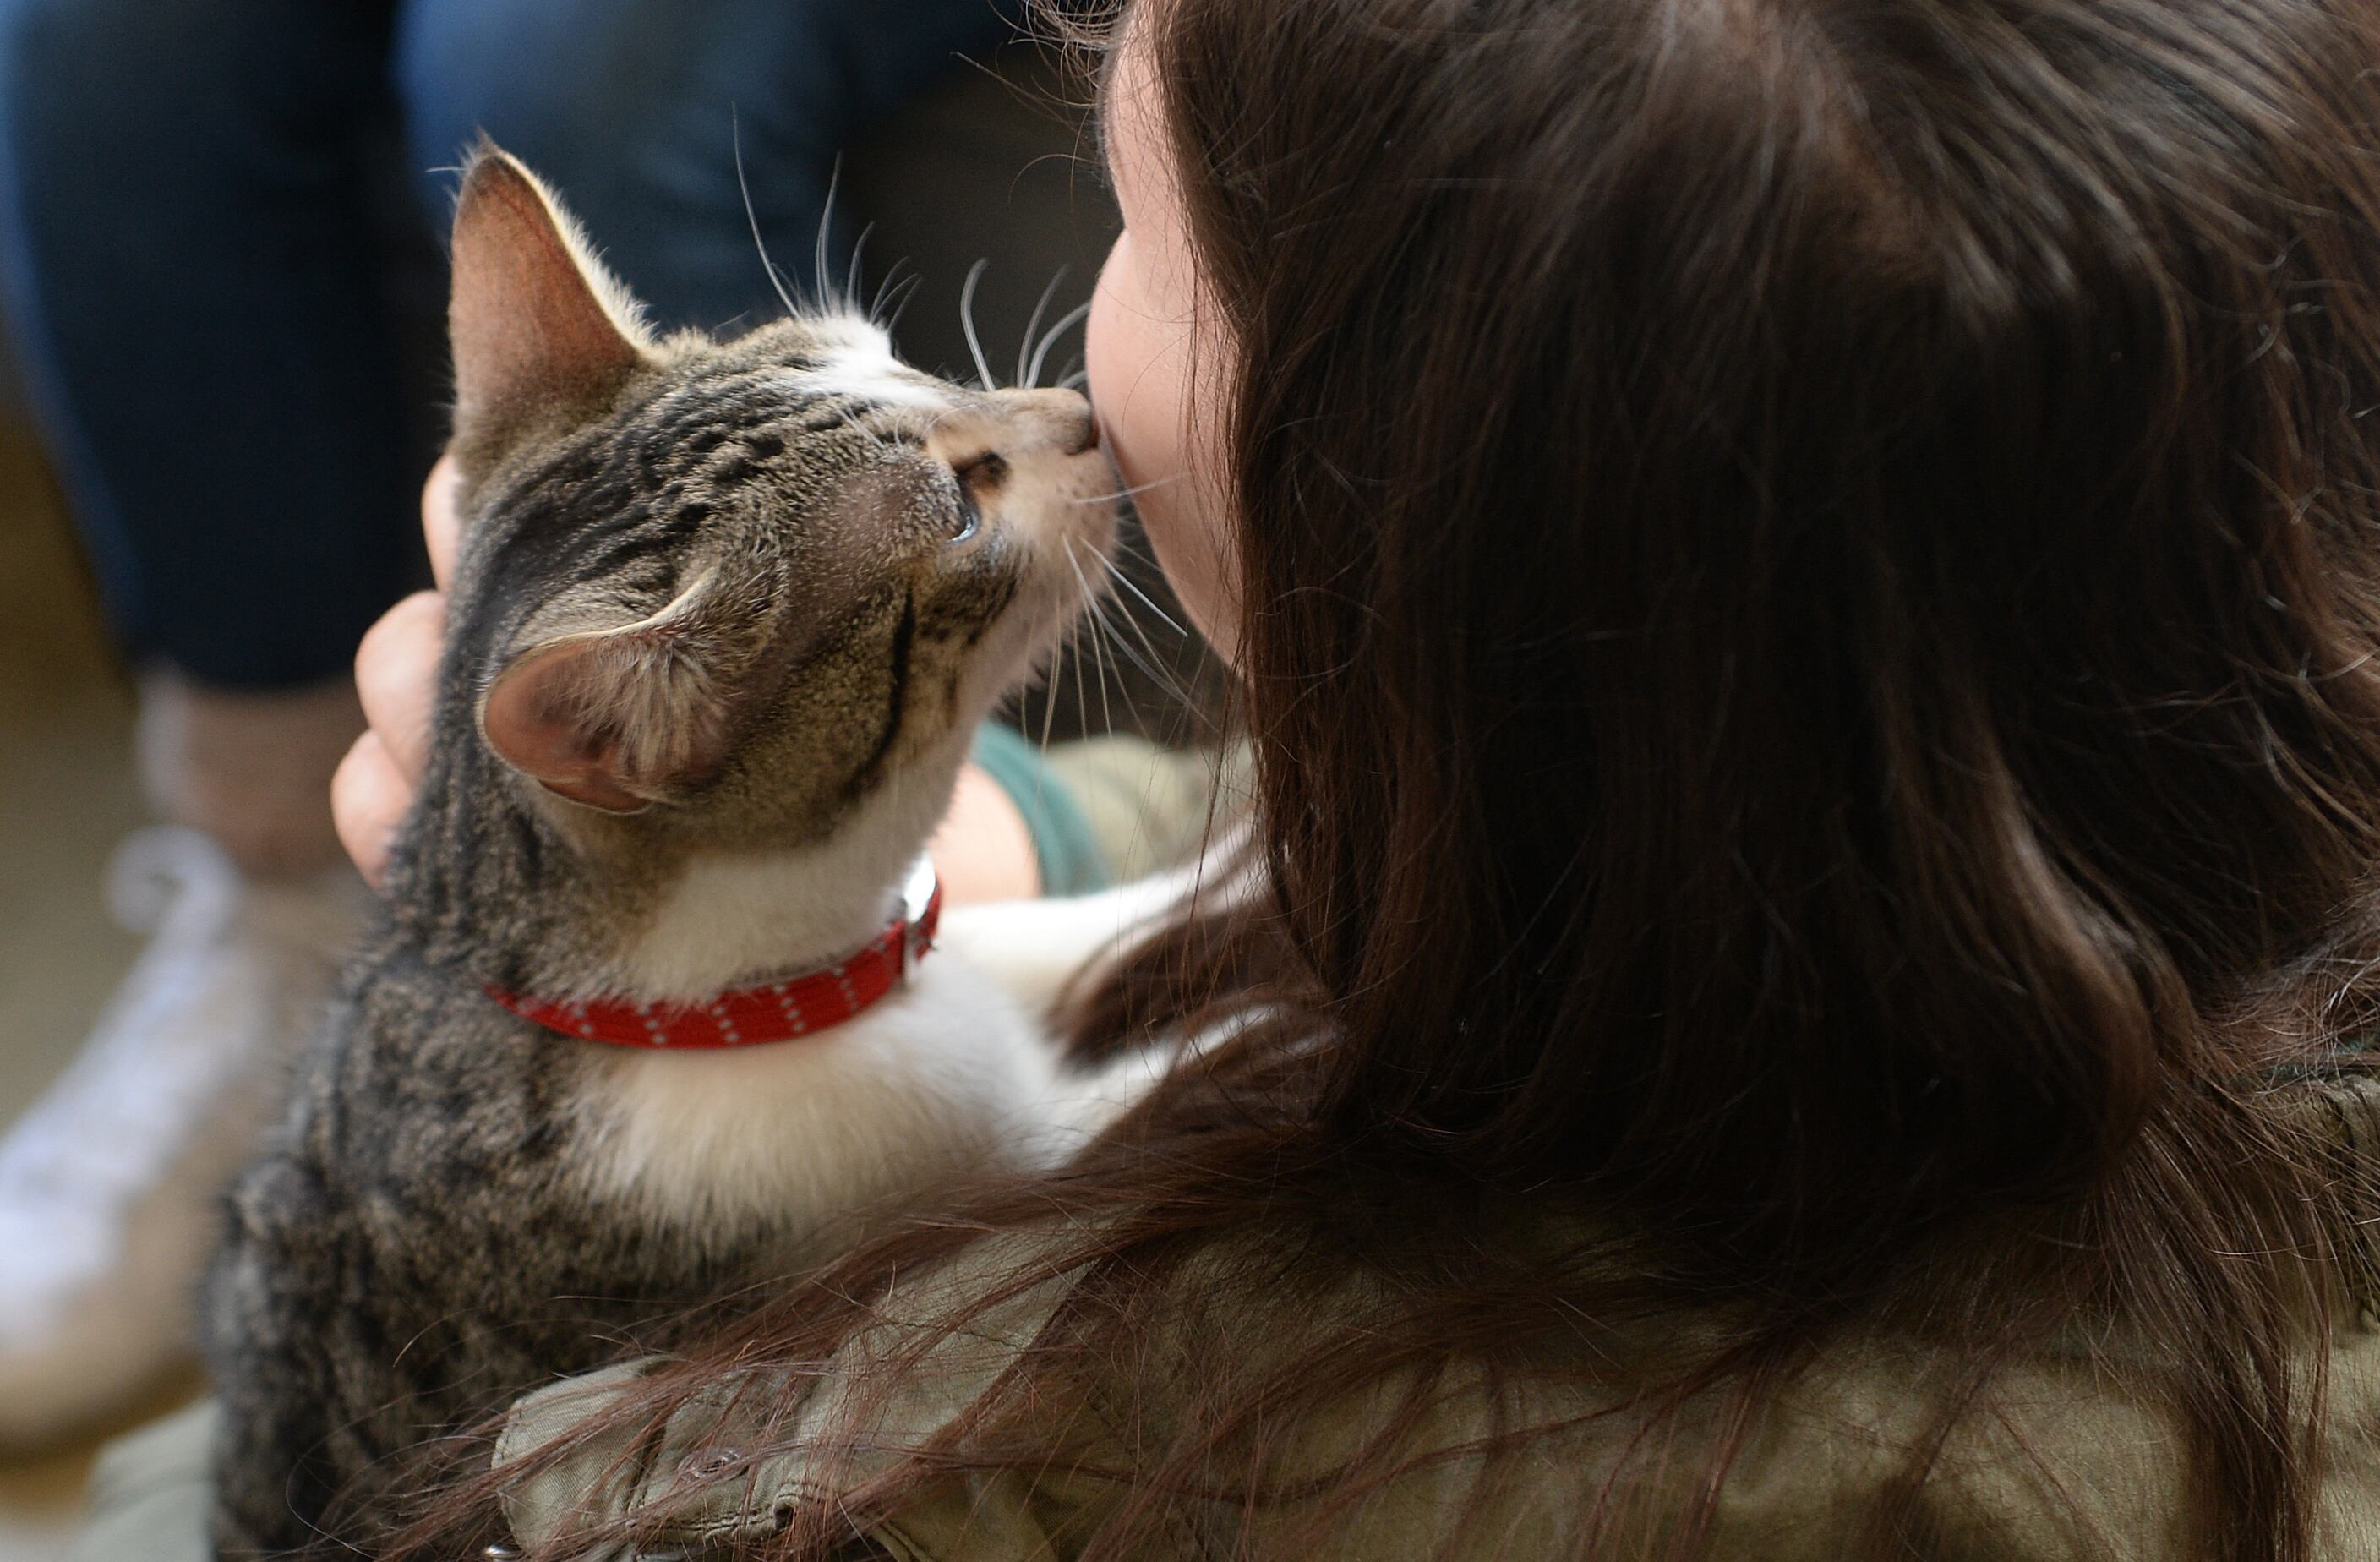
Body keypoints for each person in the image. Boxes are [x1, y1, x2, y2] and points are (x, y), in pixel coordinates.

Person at [74, 0, 2380, 1554]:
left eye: (1138, 228)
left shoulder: (1032, 1444)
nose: (1065, 378)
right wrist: (1020, 840)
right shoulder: (2042, 807)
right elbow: (1299, 821)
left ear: (1404, 513)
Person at [0, 0, 1149, 1450]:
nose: (1055, 410)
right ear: (639, 739)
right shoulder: (804, 1155)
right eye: (967, 491)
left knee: (563, 66)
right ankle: (274, 881)